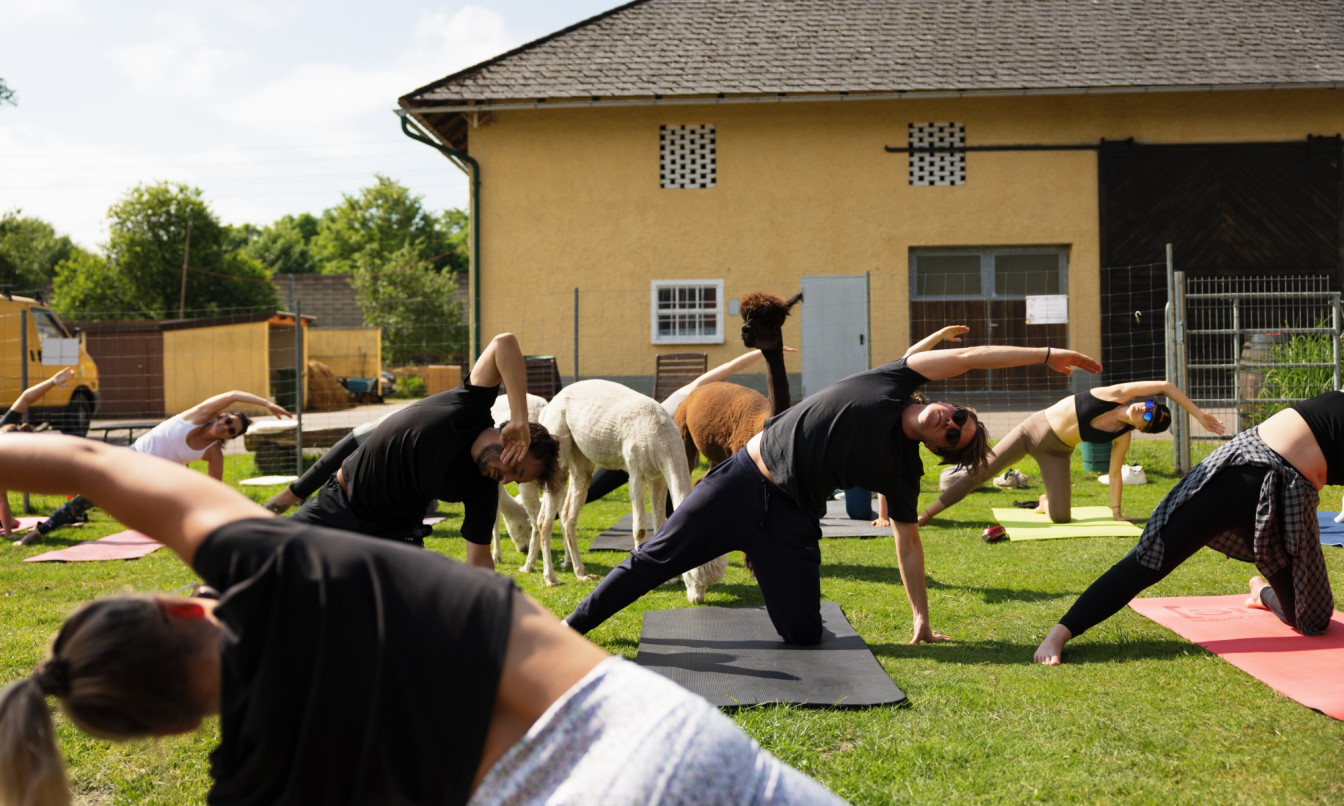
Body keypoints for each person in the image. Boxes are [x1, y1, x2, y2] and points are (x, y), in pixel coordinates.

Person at [0, 434, 847, 806]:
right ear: (173, 602)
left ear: (172, 726)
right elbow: (87, 461)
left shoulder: (252, 785)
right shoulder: (269, 565)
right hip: (651, 739)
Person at [566, 337, 1102, 646]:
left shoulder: (903, 470)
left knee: (803, 635)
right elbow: (969, 357)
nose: (951, 423)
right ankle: (572, 627)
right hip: (741, 481)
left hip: (790, 522)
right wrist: (1045, 354)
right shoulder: (894, 380)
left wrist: (921, 619)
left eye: (952, 437)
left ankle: (766, 565)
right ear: (951, 403)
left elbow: (909, 541)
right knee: (652, 561)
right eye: (958, 416)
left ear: (937, 450)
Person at [1033, 391, 1340, 666]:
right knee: (1148, 559)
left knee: (1312, 618)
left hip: (1288, 498)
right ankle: (1060, 633)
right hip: (1237, 476)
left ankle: (1261, 591)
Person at [288, 333, 563, 572]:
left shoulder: (483, 489)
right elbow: (504, 343)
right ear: (514, 440)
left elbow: (479, 561)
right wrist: (519, 417)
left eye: (516, 480)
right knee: (272, 562)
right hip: (338, 504)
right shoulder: (470, 406)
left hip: (394, 537)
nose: (507, 479)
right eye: (516, 468)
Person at [919, 380, 1225, 526]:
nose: (1143, 409)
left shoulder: (1122, 436)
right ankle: (926, 515)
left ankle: (1045, 500)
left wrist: (1117, 513)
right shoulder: (1116, 395)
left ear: (1143, 429)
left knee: (1061, 518)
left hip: (1057, 453)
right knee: (980, 473)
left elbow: (1115, 474)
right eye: (1148, 405)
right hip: (1031, 430)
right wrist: (1200, 416)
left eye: (1147, 416)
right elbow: (1166, 385)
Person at [18, 389, 288, 546]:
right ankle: (39, 532)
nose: (226, 427)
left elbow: (214, 492)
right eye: (228, 421)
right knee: (85, 498)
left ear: (231, 437)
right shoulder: (198, 416)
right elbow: (232, 394)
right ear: (222, 415)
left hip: (155, 479)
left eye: (231, 431)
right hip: (130, 459)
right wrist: (266, 403)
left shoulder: (213, 453)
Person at [0, 368, 75, 537]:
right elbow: (2, 499)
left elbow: (25, 398)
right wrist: (10, 534)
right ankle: (7, 521)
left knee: (12, 520)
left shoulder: (6, 430)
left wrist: (53, 381)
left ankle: (8, 520)